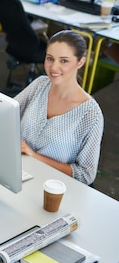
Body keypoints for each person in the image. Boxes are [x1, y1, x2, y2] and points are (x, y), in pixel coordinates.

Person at [15, 30, 104, 186]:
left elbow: (85, 175)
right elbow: (5, 114)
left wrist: (35, 156)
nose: (53, 67)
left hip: (50, 186)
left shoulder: (91, 114)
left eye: (64, 61)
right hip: (16, 170)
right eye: (50, 58)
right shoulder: (40, 85)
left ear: (80, 62)